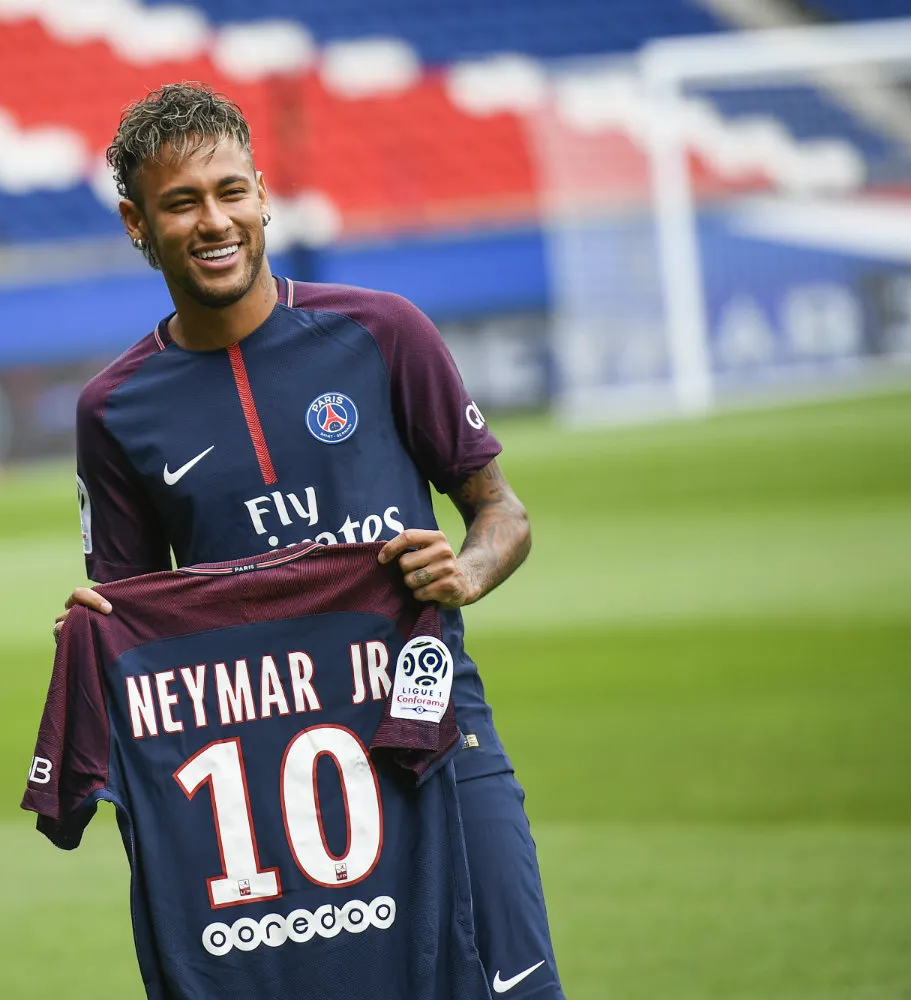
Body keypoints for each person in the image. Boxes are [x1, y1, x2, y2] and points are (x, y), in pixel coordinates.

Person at [57, 82, 564, 1000]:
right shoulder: (115, 411)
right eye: (182, 203)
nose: (215, 222)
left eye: (230, 192)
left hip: (437, 734)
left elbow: (503, 514)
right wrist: (96, 632)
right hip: (264, 790)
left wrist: (467, 569)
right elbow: (138, 627)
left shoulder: (383, 333)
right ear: (137, 222)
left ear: (262, 194)